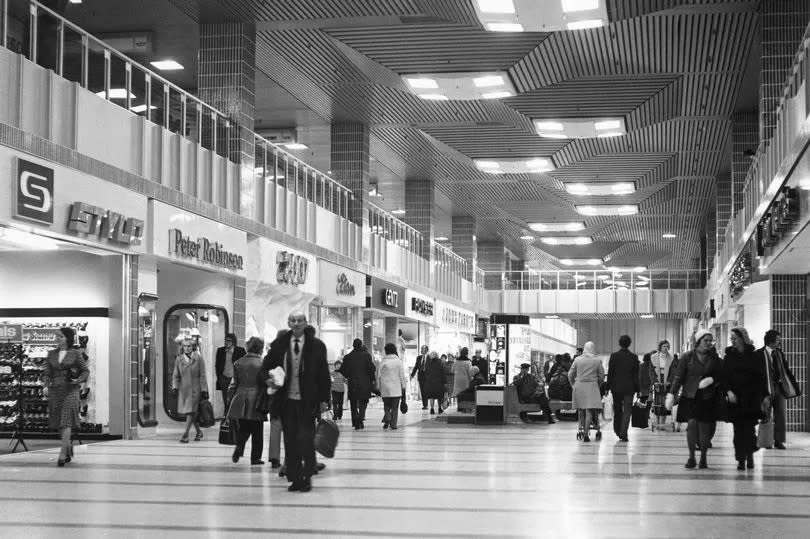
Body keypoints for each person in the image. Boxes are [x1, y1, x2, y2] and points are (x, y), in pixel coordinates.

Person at [262, 311, 330, 493]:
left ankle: (307, 476)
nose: (296, 323)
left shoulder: (317, 346)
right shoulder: (280, 344)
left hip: (307, 401)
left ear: (305, 323)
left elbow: (323, 374)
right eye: (293, 320)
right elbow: (265, 366)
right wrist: (268, 380)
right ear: (289, 323)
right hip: (286, 401)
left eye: (300, 320)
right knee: (290, 440)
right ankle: (295, 477)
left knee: (306, 439)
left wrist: (325, 399)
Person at [665, 329, 723, 469]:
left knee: (704, 429)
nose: (709, 343)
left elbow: (721, 376)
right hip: (690, 396)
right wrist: (671, 394)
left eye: (710, 341)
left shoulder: (714, 358)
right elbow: (678, 377)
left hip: (707, 396)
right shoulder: (687, 356)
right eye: (706, 340)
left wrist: (712, 380)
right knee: (691, 427)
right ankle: (691, 457)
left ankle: (703, 458)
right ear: (698, 341)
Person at [42, 328, 89, 467]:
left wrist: (78, 380)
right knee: (58, 421)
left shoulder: (75, 353)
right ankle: (68, 446)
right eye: (57, 336)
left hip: (71, 390)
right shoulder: (51, 354)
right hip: (55, 390)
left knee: (66, 420)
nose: (57, 338)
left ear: (68, 338)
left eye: (60, 336)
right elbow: (47, 373)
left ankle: (63, 453)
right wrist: (45, 385)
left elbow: (86, 371)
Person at [722, 327, 766, 470]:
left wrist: (765, 396)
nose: (732, 341)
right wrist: (728, 392)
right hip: (735, 399)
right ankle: (741, 459)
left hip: (751, 398)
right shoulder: (729, 356)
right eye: (731, 338)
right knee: (738, 431)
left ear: (742, 338)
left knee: (749, 429)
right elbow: (725, 377)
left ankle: (750, 455)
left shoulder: (754, 356)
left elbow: (761, 378)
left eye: (735, 338)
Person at [756, 329, 801, 450]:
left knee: (780, 413)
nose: (779, 343)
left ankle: (779, 440)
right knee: (766, 414)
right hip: (765, 388)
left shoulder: (779, 353)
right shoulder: (759, 354)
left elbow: (786, 370)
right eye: (777, 340)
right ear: (770, 341)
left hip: (779, 388)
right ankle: (767, 441)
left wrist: (795, 386)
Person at [227, 336, 267, 465]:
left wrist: (230, 400)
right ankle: (255, 458)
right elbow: (265, 383)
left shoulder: (238, 362)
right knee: (257, 430)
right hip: (257, 399)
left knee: (243, 427)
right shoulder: (263, 363)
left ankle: (239, 446)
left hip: (240, 397)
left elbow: (233, 384)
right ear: (260, 348)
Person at [172, 338, 209, 443]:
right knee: (192, 413)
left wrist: (204, 390)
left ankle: (185, 435)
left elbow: (202, 375)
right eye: (185, 346)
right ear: (182, 347)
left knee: (190, 412)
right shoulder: (179, 359)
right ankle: (198, 432)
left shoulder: (198, 358)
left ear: (193, 347)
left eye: (189, 346)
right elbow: (176, 376)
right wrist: (175, 387)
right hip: (184, 390)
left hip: (196, 389)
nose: (187, 348)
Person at [568, 342, 604, 442]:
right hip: (592, 386)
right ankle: (586, 434)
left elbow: (570, 374)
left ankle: (582, 429)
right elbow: (601, 376)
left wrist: (573, 385)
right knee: (589, 411)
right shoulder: (597, 361)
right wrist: (598, 385)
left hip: (579, 386)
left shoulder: (577, 359)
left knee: (581, 410)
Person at [607, 335, 639, 442]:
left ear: (619, 343)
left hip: (616, 388)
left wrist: (607, 387)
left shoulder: (614, 356)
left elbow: (610, 373)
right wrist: (638, 390)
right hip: (629, 388)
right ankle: (623, 432)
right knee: (627, 410)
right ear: (629, 344)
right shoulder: (634, 357)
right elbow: (636, 375)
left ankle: (617, 430)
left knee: (618, 410)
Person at [339, 339, 376, 430]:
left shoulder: (348, 357)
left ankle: (356, 422)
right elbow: (372, 369)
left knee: (353, 403)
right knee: (364, 401)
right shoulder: (367, 356)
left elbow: (342, 370)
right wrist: (372, 379)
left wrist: (348, 376)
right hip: (365, 382)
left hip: (353, 383)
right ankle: (360, 417)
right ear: (361, 345)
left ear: (353, 345)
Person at [377, 343, 407, 430]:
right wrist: (403, 386)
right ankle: (393, 425)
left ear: (386, 351)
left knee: (386, 406)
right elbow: (402, 375)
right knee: (395, 408)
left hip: (385, 388)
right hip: (396, 389)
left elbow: (378, 374)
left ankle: (388, 417)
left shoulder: (383, 361)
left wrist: (378, 386)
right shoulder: (399, 361)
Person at [215, 333, 246, 412]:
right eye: (225, 340)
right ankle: (226, 419)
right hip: (224, 378)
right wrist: (219, 378)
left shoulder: (240, 350)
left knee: (235, 400)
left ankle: (234, 420)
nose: (226, 342)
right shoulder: (220, 351)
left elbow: (244, 365)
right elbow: (217, 365)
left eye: (228, 340)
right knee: (226, 401)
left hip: (235, 379)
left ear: (233, 342)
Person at [410, 345, 430, 409]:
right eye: (421, 349)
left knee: (426, 390)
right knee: (422, 391)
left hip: (428, 377)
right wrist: (412, 375)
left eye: (423, 349)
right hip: (421, 377)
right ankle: (425, 405)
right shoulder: (419, 357)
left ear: (426, 350)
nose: (421, 350)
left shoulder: (430, 358)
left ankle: (426, 404)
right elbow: (416, 367)